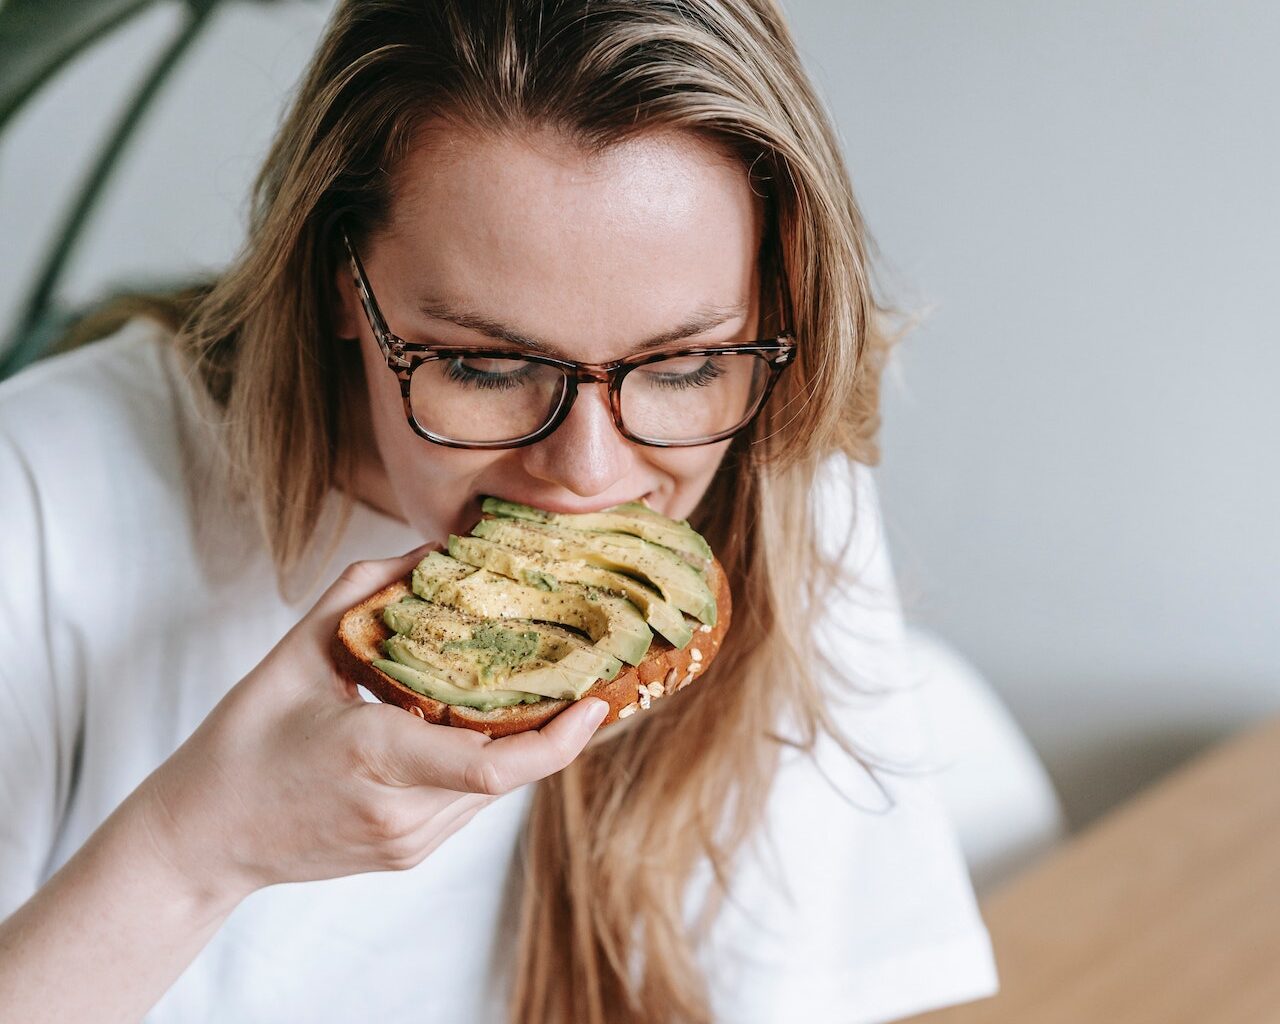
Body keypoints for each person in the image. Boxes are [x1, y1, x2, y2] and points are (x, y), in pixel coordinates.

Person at [0, 2, 996, 1022]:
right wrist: (191, 852)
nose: (587, 472)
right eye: (486, 365)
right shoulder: (38, 491)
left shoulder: (777, 482)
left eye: (685, 364)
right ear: (342, 279)